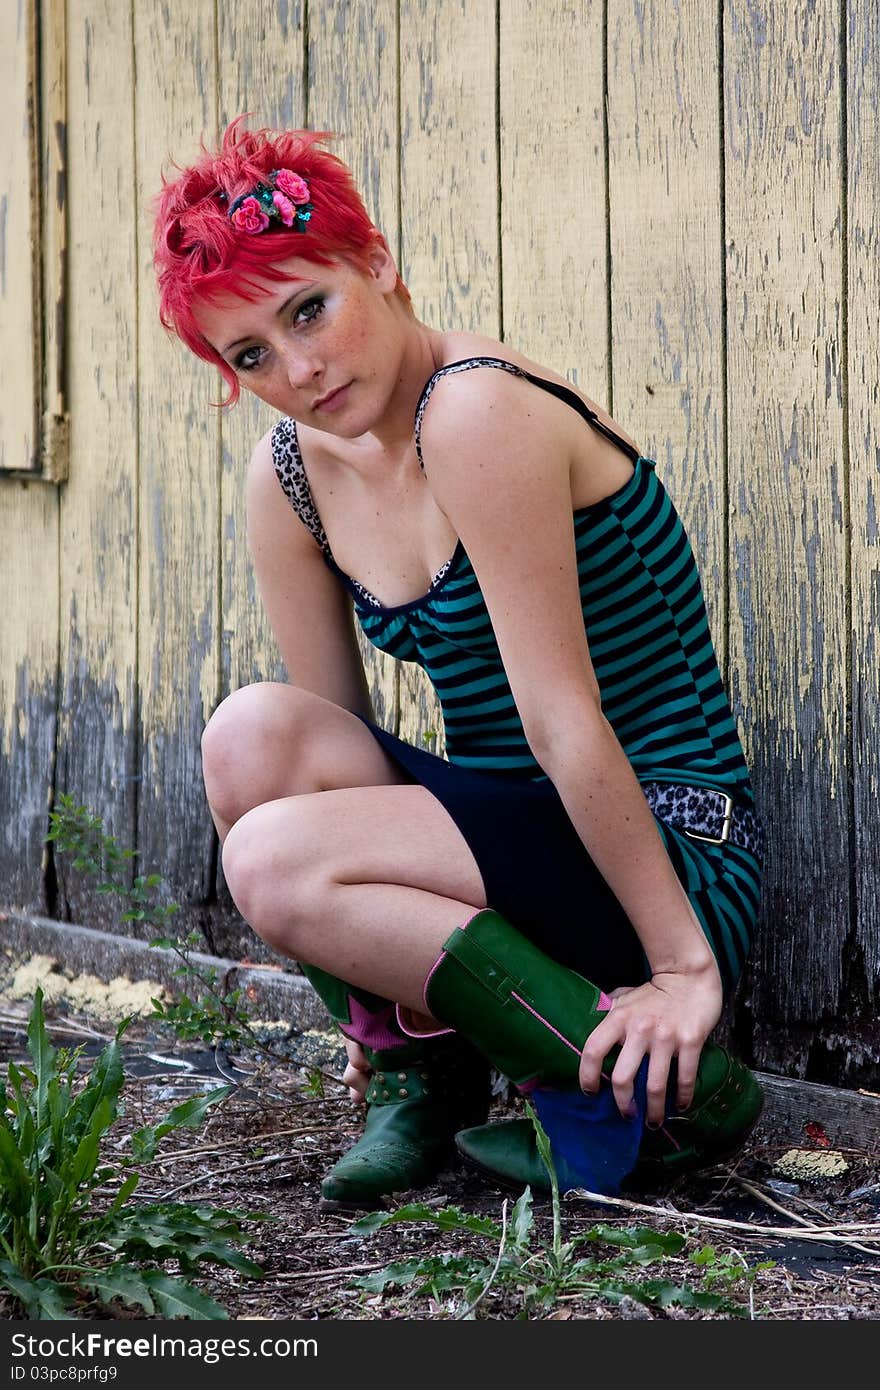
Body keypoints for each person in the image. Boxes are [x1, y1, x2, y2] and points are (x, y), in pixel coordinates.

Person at [152, 118, 765, 1211]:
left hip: (666, 841)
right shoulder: (290, 474)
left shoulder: (477, 408)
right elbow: (326, 750)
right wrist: (366, 982)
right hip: (521, 832)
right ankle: (416, 1077)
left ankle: (657, 1104)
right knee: (254, 736)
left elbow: (562, 719)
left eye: (309, 309)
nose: (295, 369)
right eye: (251, 354)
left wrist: (684, 970)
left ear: (377, 264)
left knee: (275, 863)